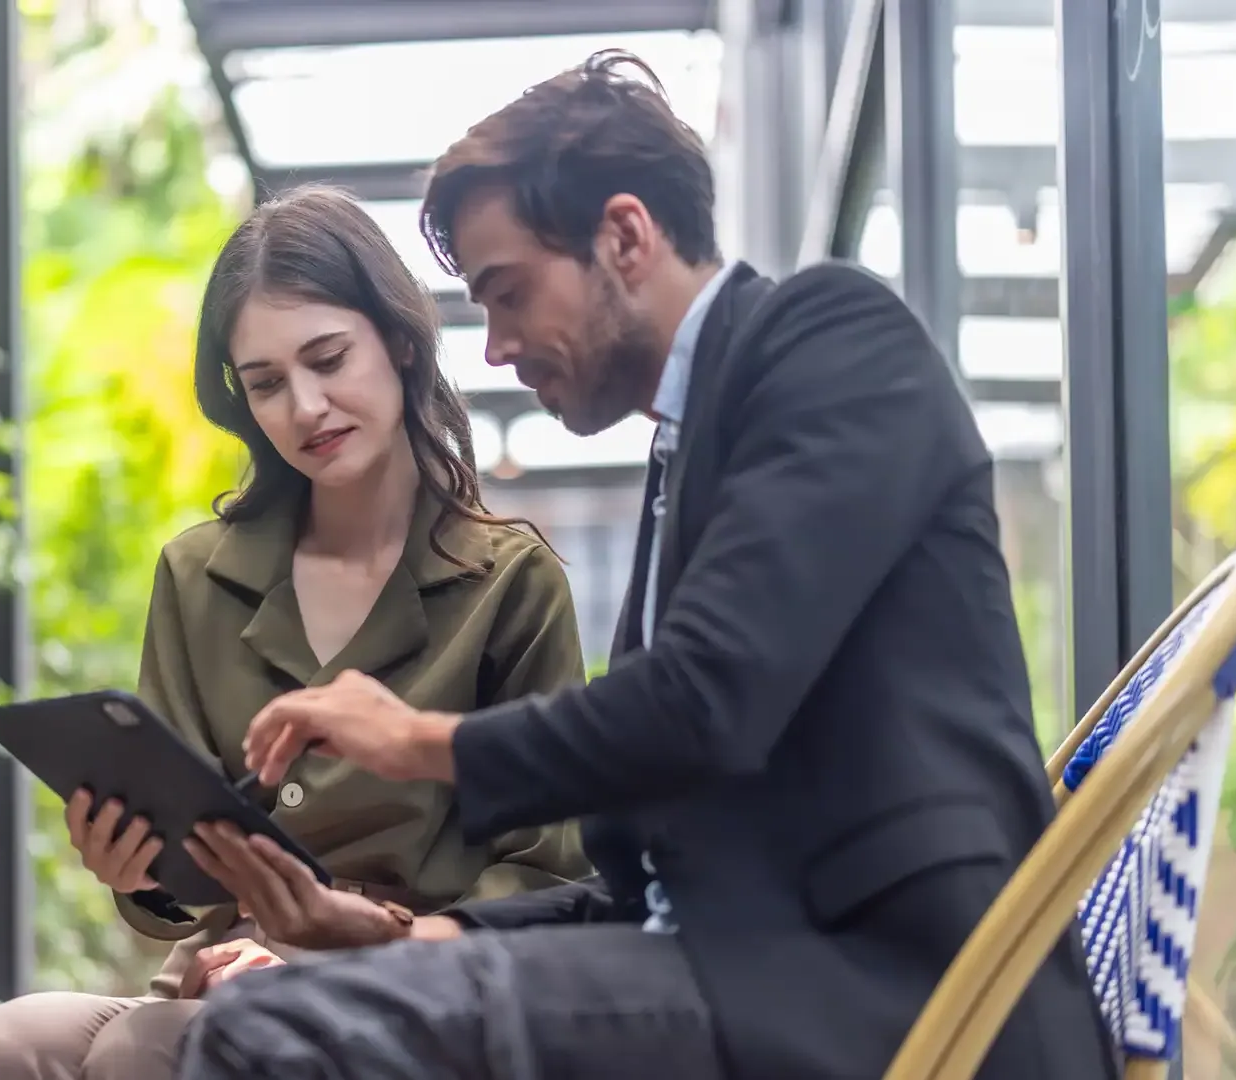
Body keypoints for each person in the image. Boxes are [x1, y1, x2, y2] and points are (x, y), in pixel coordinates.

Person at [173, 51, 1117, 1080]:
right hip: (743, 971)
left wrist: (414, 740)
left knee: (274, 1033)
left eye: (509, 293)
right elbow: (646, 877)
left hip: (896, 992)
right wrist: (395, 935)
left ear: (625, 236)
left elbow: (707, 699)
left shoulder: (835, 340)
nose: (493, 348)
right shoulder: (684, 452)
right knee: (307, 1001)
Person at [0, 184, 591, 1080]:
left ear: (399, 340)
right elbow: (181, 874)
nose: (306, 408)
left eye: (329, 359)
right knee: (7, 1045)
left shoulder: (508, 584)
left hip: (417, 988)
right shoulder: (201, 575)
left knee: (139, 1057)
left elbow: (545, 874)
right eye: (267, 384)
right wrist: (140, 872)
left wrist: (332, 948)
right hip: (223, 973)